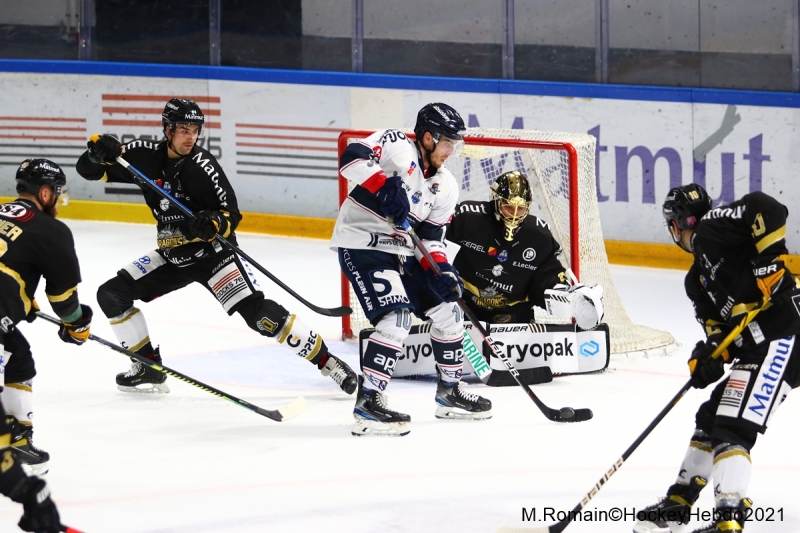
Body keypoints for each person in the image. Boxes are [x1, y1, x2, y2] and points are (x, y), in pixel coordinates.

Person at [75, 98, 356, 395]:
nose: (190, 137)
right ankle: (147, 367)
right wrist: (95, 155)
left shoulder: (202, 167)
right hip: (173, 256)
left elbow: (231, 215)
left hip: (213, 257)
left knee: (259, 316)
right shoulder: (141, 156)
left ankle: (329, 363)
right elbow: (89, 171)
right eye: (183, 129)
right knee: (111, 294)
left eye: (195, 130)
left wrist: (212, 224)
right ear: (167, 130)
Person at [634, 184, 800, 533]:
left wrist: (769, 263)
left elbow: (765, 206)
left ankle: (729, 519)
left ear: (675, 226)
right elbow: (721, 333)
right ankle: (679, 501)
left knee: (732, 427)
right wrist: (710, 355)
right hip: (760, 343)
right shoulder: (696, 281)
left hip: (785, 332)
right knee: (711, 417)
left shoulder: (711, 228)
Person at [332, 102, 492, 437]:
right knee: (397, 318)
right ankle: (369, 402)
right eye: (448, 142)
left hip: (403, 251)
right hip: (363, 243)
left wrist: (443, 270)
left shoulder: (446, 186)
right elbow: (352, 157)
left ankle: (449, 393)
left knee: (450, 310)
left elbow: (432, 239)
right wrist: (383, 184)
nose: (451, 151)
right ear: (429, 137)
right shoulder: (397, 147)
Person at [0, 159, 94, 476]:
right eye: (55, 192)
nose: (57, 198)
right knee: (18, 359)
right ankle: (13, 444)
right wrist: (78, 324)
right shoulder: (51, 230)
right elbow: (64, 301)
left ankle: (15, 439)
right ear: (43, 193)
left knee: (17, 356)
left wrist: (20, 299)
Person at [445, 170, 604, 329]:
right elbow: (437, 250)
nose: (514, 215)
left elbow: (546, 276)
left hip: (514, 315)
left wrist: (562, 293)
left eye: (519, 208)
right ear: (495, 201)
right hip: (461, 308)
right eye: (508, 207)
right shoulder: (466, 221)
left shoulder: (538, 237)